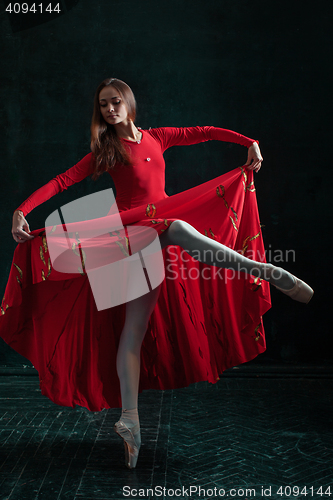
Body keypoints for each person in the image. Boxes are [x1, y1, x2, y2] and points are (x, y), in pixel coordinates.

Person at [6, 78, 313, 470]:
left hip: (154, 238)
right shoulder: (106, 151)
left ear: (129, 104)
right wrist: (22, 209)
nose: (109, 110)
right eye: (103, 106)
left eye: (115, 102)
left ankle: (129, 421)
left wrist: (247, 140)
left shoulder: (158, 138)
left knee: (134, 331)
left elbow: (202, 132)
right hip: (126, 235)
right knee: (179, 228)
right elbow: (63, 181)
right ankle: (263, 270)